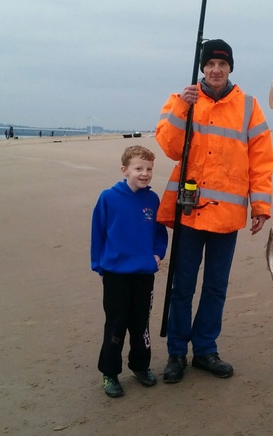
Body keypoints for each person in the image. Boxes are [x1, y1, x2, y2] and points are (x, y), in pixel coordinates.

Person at [155, 39, 273, 383]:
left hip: (228, 215)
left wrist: (260, 206)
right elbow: (169, 148)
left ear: (231, 68)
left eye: (223, 64)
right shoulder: (182, 101)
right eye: (210, 64)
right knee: (182, 286)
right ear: (202, 68)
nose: (216, 70)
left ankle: (205, 349)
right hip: (189, 213)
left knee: (215, 288)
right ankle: (177, 353)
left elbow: (262, 161)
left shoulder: (250, 106)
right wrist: (182, 107)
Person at [90, 145, 169, 398]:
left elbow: (159, 233)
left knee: (140, 323)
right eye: (138, 169)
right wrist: (99, 264)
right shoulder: (108, 198)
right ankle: (110, 373)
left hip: (144, 273)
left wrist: (157, 255)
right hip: (115, 273)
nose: (144, 174)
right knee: (116, 323)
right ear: (125, 170)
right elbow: (98, 233)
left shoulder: (152, 199)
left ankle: (140, 365)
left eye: (148, 169)